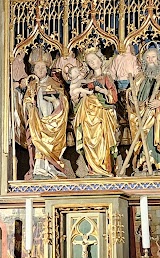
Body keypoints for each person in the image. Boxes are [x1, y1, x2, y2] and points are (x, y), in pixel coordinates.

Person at [20, 49, 71, 178]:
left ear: (47, 69)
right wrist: (30, 105)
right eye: (38, 67)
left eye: (43, 67)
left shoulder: (54, 83)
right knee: (38, 142)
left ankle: (52, 167)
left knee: (50, 143)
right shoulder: (32, 84)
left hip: (52, 121)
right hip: (37, 120)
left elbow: (63, 102)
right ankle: (40, 168)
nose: (41, 70)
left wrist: (55, 101)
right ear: (33, 70)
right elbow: (26, 101)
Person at [123, 44, 160, 174]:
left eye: (153, 57)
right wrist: (131, 97)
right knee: (142, 138)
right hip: (141, 113)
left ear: (159, 59)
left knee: (153, 136)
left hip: (156, 115)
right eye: (148, 57)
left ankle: (157, 162)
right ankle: (143, 162)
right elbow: (132, 94)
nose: (150, 60)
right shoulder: (140, 77)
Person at [71, 49, 119, 177]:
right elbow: (77, 97)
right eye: (89, 61)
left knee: (102, 139)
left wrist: (102, 90)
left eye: (94, 59)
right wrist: (76, 97)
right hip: (87, 113)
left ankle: (104, 168)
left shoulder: (106, 77)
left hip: (102, 113)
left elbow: (114, 97)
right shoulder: (85, 79)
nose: (92, 62)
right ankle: (92, 168)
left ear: (100, 60)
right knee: (88, 139)